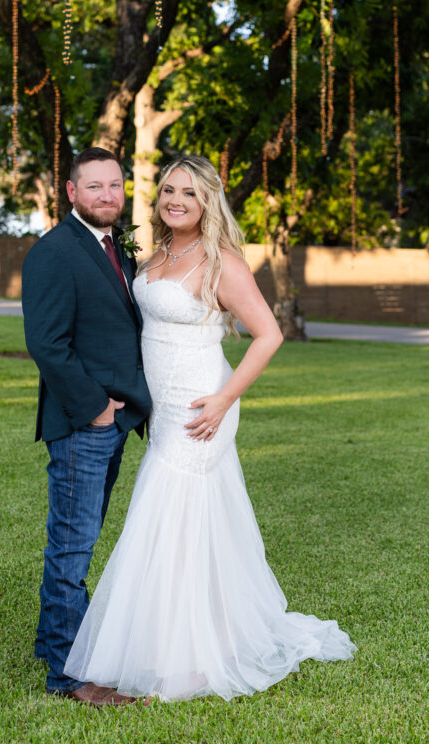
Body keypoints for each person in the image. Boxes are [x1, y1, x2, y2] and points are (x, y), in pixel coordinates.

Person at [64, 155, 356, 701]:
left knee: (170, 521)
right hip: (165, 408)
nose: (176, 200)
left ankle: (181, 665)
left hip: (203, 406)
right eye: (169, 189)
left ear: (208, 202)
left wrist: (224, 399)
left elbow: (268, 335)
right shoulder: (157, 253)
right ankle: (166, 648)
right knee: (177, 522)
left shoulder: (222, 261)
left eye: (190, 194)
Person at [22, 147, 152, 707]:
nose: (107, 195)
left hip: (115, 421)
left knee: (81, 537)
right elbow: (47, 344)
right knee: (72, 547)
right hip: (84, 423)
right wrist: (97, 409)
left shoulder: (111, 248)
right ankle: (68, 675)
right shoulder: (54, 252)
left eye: (115, 186)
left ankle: (53, 641)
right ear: (71, 192)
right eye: (94, 186)